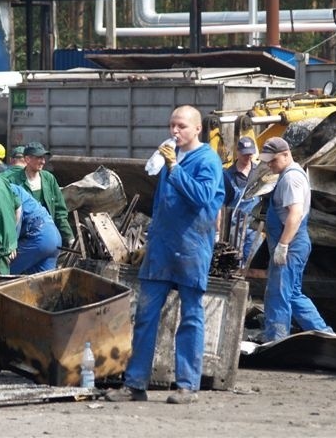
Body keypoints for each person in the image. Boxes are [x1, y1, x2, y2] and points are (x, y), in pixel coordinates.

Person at [105, 105, 225, 405]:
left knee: (191, 317)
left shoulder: (207, 159)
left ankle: (187, 386)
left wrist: (174, 168)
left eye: (181, 126)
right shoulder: (171, 158)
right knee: (145, 316)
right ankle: (135, 385)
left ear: (197, 129)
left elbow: (201, 197)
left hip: (191, 248)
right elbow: (161, 205)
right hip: (160, 249)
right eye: (172, 125)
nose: (174, 131)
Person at [257, 137, 333, 342]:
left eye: (272, 160)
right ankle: (325, 336)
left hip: (291, 244)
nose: (269, 164)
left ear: (285, 154)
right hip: (294, 243)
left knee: (278, 293)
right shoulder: (289, 175)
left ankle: (276, 340)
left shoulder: (291, 179)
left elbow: (295, 214)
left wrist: (283, 245)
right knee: (293, 294)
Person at [5, 141, 74, 247]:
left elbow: (60, 211)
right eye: (39, 158)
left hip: (47, 236)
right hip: (23, 239)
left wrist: (69, 237)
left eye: (43, 158)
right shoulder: (13, 181)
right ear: (27, 159)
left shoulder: (48, 179)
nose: (43, 162)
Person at [223, 136, 261, 265]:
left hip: (254, 225)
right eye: (245, 154)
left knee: (253, 260)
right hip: (235, 227)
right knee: (234, 261)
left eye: (250, 154)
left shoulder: (260, 172)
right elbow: (222, 204)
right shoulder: (228, 175)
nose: (247, 157)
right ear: (237, 152)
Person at [9, 183, 61, 274]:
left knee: (1, 272)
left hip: (38, 236)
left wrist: (11, 243)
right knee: (44, 284)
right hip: (54, 235)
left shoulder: (8, 190)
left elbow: (18, 211)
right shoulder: (17, 189)